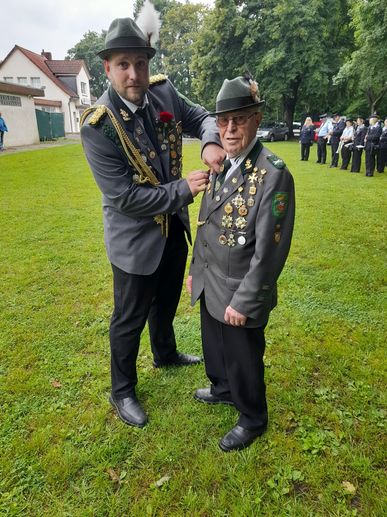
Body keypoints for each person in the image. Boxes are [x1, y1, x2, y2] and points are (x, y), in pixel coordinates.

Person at [80, 13, 225, 428]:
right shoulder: (98, 126)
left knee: (165, 300)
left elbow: (200, 117)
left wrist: (211, 143)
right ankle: (122, 389)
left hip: (172, 229)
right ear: (107, 67)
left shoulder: (163, 92)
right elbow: (124, 196)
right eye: (123, 64)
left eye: (140, 63)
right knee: (129, 317)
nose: (134, 73)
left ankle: (164, 352)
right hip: (134, 239)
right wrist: (184, 189)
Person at [187, 75, 295, 452]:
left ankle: (252, 417)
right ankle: (222, 388)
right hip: (211, 280)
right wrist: (194, 272)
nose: (230, 129)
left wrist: (245, 302)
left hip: (240, 289)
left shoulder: (272, 173)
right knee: (215, 347)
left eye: (240, 119)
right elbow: (205, 222)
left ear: (256, 118)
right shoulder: (222, 163)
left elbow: (270, 252)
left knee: (244, 357)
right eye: (223, 121)